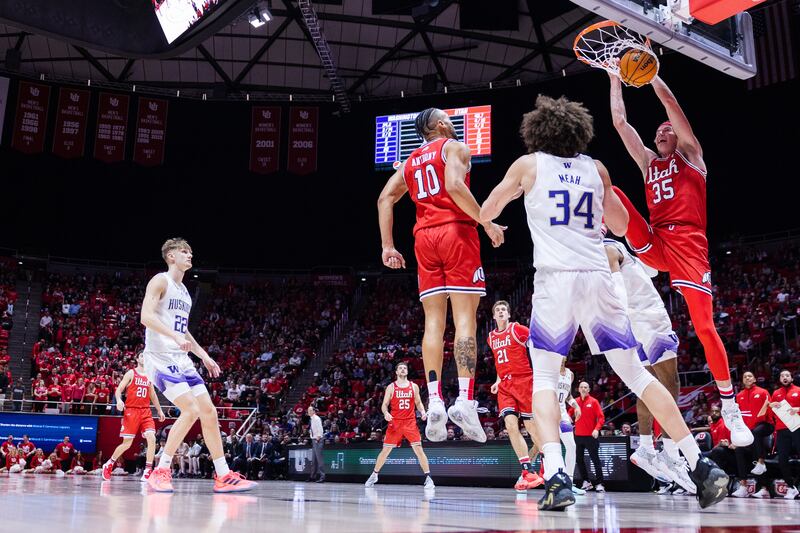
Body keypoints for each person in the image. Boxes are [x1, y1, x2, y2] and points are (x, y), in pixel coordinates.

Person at [479, 94, 728, 510]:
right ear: (580, 132)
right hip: (598, 276)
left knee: (543, 380)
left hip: (557, 281)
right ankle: (701, 465)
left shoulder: (528, 165)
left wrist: (493, 223)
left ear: (537, 132)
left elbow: (487, 208)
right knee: (637, 375)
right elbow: (619, 224)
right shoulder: (596, 169)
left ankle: (557, 477)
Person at [607, 72, 752, 447]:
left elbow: (671, 103)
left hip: (688, 243)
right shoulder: (648, 163)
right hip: (656, 241)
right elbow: (621, 123)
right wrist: (614, 79)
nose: (659, 135)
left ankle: (730, 405)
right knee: (609, 188)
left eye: (665, 131)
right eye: (657, 132)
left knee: (704, 327)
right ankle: (602, 242)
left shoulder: (692, 157)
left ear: (678, 136)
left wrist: (652, 73)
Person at [377, 107, 507, 443]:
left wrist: (387, 246)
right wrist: (486, 222)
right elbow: (453, 184)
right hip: (456, 234)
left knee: (433, 322)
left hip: (424, 239)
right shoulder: (455, 147)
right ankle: (464, 400)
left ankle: (435, 401)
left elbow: (384, 198)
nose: (453, 123)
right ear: (440, 125)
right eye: (449, 119)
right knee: (466, 320)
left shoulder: (409, 162)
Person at [141, 238, 256, 493]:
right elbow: (146, 317)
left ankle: (223, 475)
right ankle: (160, 470)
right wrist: (174, 337)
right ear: (171, 256)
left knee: (209, 412)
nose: (190, 255)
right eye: (184, 252)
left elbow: (184, 331)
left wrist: (203, 355)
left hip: (181, 357)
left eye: (191, 252)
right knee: (190, 410)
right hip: (160, 356)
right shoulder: (161, 280)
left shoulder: (184, 292)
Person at [604, 237, 692, 492]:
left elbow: (653, 268)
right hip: (648, 318)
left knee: (646, 385)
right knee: (670, 383)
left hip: (637, 323)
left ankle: (645, 446)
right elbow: (616, 284)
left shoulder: (617, 251)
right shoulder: (610, 247)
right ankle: (670, 451)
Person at [487, 300, 543, 491]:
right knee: (511, 426)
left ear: (509, 314)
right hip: (505, 385)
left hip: (524, 381)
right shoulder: (491, 337)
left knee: (530, 427)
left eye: (504, 309)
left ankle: (550, 463)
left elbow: (537, 345)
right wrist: (497, 380)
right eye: (497, 310)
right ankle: (527, 470)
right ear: (494, 316)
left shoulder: (518, 329)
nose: (501, 312)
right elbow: (498, 360)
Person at [365, 362, 434, 489]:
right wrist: (385, 413)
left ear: (407, 371)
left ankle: (428, 478)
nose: (403, 370)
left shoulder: (414, 386)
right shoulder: (391, 387)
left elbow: (418, 402)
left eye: (405, 368)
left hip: (410, 422)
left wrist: (423, 412)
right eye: (400, 368)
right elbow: (384, 404)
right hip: (395, 423)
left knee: (419, 450)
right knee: (385, 451)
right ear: (396, 372)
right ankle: (375, 474)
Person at [102, 352, 166, 482]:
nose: (144, 358)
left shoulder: (149, 375)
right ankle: (109, 463)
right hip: (132, 411)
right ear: (137, 359)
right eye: (142, 356)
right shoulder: (131, 373)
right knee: (127, 444)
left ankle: (148, 470)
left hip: (146, 411)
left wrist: (160, 411)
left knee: (152, 438)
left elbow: (152, 395)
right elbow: (119, 390)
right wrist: (119, 401)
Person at [730, 372, 772, 498]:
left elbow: (769, 409)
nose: (747, 378)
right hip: (747, 432)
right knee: (739, 450)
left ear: (754, 379)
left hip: (763, 426)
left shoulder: (763, 392)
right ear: (742, 381)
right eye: (745, 376)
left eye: (750, 376)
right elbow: (737, 417)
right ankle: (743, 486)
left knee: (756, 439)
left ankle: (764, 487)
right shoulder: (739, 396)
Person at [556, 358, 584, 495]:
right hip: (549, 414)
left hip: (563, 416)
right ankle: (525, 474)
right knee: (543, 448)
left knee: (571, 446)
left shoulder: (570, 374)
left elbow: (568, 396)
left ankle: (569, 482)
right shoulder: (550, 371)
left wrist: (576, 405)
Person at [770, 369, 800, 499]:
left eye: (787, 375)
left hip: (797, 427)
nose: (785, 377)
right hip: (782, 429)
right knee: (782, 459)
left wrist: (797, 409)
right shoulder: (776, 393)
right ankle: (791, 487)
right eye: (782, 376)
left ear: (792, 378)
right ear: (780, 379)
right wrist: (772, 405)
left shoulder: (798, 390)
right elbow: (771, 413)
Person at [573, 382, 605, 493]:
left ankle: (600, 484)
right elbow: (568, 415)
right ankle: (586, 482)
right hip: (578, 436)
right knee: (579, 460)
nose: (583, 389)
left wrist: (596, 429)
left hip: (591, 437)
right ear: (578, 389)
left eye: (585, 387)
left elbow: (601, 418)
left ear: (589, 389)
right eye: (581, 387)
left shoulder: (594, 402)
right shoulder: (575, 402)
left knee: (595, 460)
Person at [307, 406, 325, 482]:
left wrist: (318, 437)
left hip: (318, 439)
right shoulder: (311, 419)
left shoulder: (317, 419)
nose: (309, 412)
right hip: (313, 440)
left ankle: (322, 477)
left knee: (319, 459)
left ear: (314, 411)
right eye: (308, 411)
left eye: (311, 410)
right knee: (313, 460)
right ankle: (312, 476)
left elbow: (320, 429)